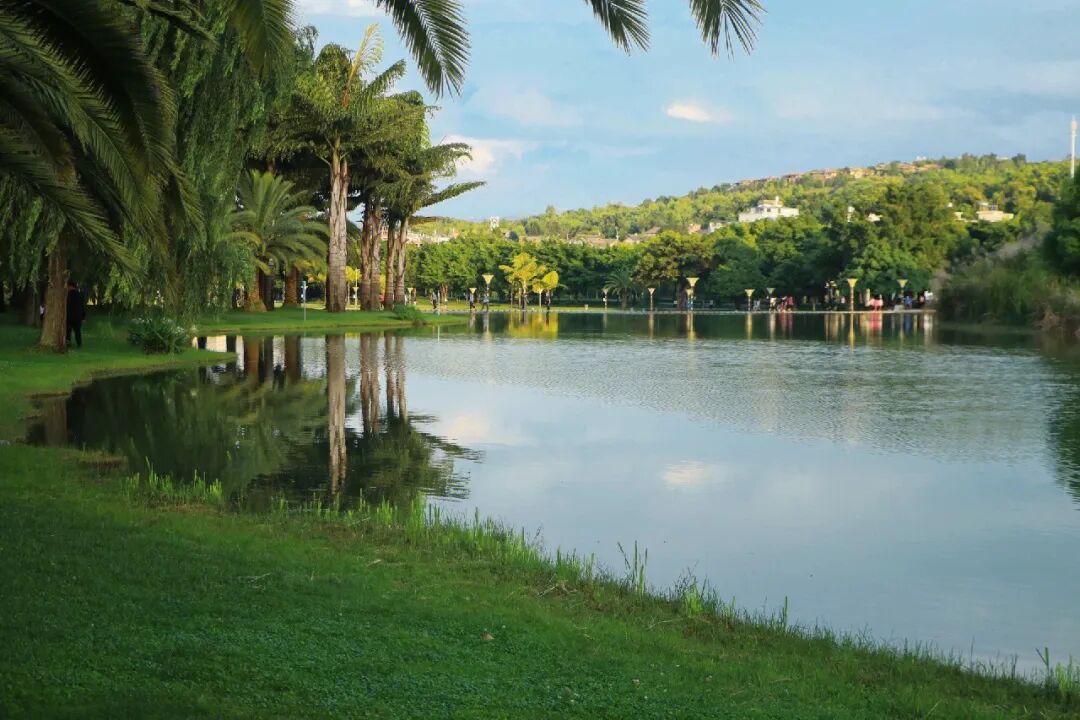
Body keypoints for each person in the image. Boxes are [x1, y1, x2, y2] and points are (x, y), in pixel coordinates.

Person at [66, 280, 86, 348]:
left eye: (68, 286)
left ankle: (68, 343)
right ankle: (79, 344)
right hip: (78, 317)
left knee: (68, 331)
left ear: (70, 286)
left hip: (69, 316)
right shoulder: (80, 295)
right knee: (77, 331)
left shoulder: (67, 295)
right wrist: (83, 317)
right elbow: (82, 307)